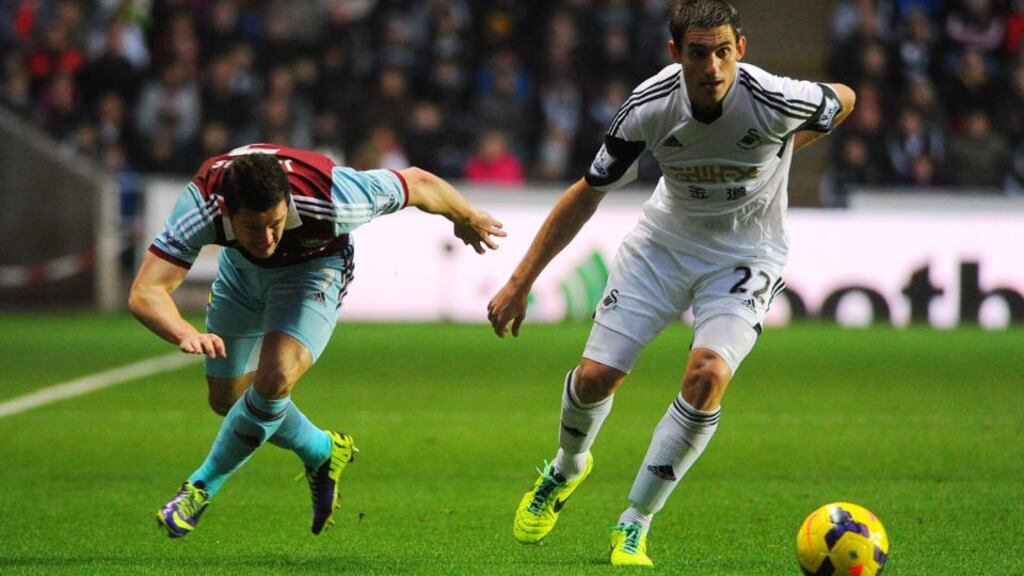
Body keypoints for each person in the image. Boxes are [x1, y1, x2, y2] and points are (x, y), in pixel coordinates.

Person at [487, 0, 855, 567]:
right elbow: (587, 192)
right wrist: (520, 281)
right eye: (699, 53)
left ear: (742, 49)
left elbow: (844, 98)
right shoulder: (649, 106)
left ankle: (634, 522)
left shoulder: (775, 98)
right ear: (675, 53)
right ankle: (566, 466)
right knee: (594, 378)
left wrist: (784, 144)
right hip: (663, 247)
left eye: (724, 52)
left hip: (747, 254)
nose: (713, 67)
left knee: (708, 375)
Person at [130, 143, 504, 538]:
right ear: (226, 211)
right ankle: (322, 451)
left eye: (275, 222)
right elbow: (145, 292)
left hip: (313, 271)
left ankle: (199, 489)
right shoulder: (201, 205)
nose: (268, 236)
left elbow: (418, 182)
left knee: (275, 379)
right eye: (253, 228)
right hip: (240, 275)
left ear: (287, 200)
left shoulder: (331, 198)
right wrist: (185, 332)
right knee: (226, 400)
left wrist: (465, 216)